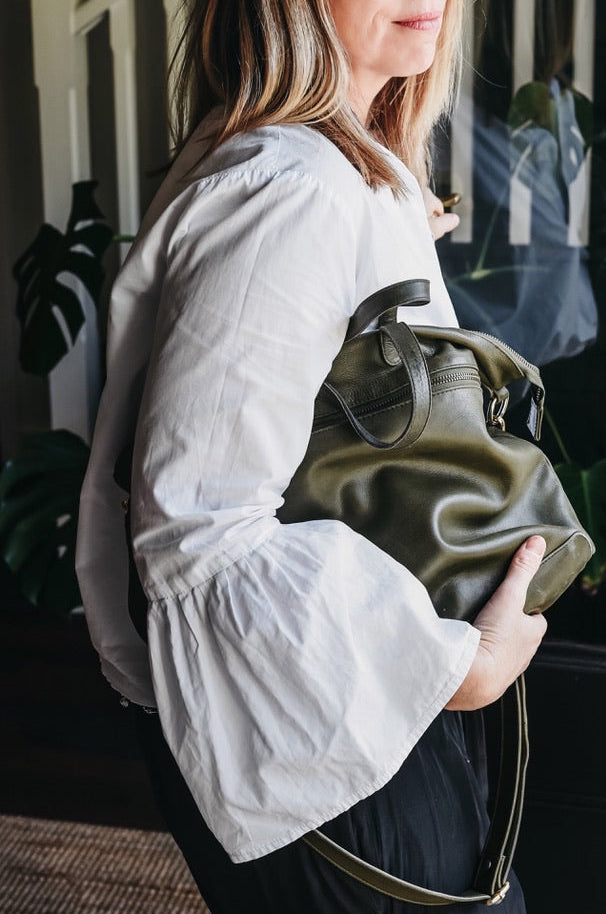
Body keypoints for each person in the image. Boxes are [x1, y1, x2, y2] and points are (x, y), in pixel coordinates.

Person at [74, 1, 548, 911]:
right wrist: (463, 671)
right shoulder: (292, 187)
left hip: (324, 697)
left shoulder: (317, 169)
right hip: (316, 720)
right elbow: (200, 530)